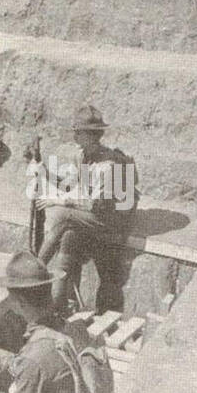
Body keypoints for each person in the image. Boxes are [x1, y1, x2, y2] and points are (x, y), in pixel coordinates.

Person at [0, 250, 113, 393]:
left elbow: (32, 372)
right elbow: (39, 367)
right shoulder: (72, 329)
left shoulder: (34, 358)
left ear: (18, 303)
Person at [36, 105, 138, 314]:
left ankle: (35, 270)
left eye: (78, 131)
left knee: (63, 215)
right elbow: (71, 186)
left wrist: (61, 201)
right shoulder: (83, 156)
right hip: (90, 219)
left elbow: (98, 205)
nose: (74, 134)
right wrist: (43, 170)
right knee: (68, 238)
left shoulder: (109, 165)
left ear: (90, 135)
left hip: (110, 222)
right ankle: (58, 308)